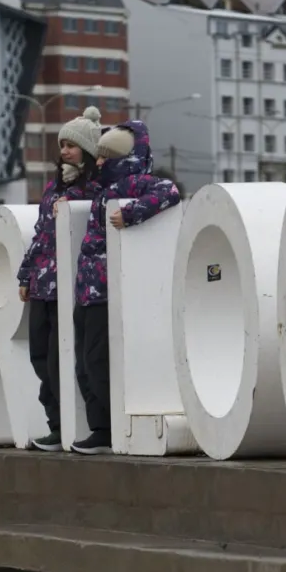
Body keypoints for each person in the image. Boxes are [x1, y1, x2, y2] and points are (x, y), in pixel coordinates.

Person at [66, 119, 181, 455]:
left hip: (104, 292)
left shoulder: (134, 183)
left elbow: (169, 192)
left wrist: (132, 214)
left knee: (96, 361)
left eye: (105, 156)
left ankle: (109, 426)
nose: (99, 162)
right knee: (85, 364)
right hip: (88, 291)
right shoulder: (105, 187)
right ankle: (100, 427)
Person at [17, 106, 102, 452]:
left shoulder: (94, 186)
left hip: (69, 288)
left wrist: (74, 197)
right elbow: (41, 234)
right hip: (42, 286)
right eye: (62, 145)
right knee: (39, 356)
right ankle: (55, 425)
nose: (65, 151)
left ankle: (68, 426)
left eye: (72, 145)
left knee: (58, 360)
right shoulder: (54, 187)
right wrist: (26, 274)